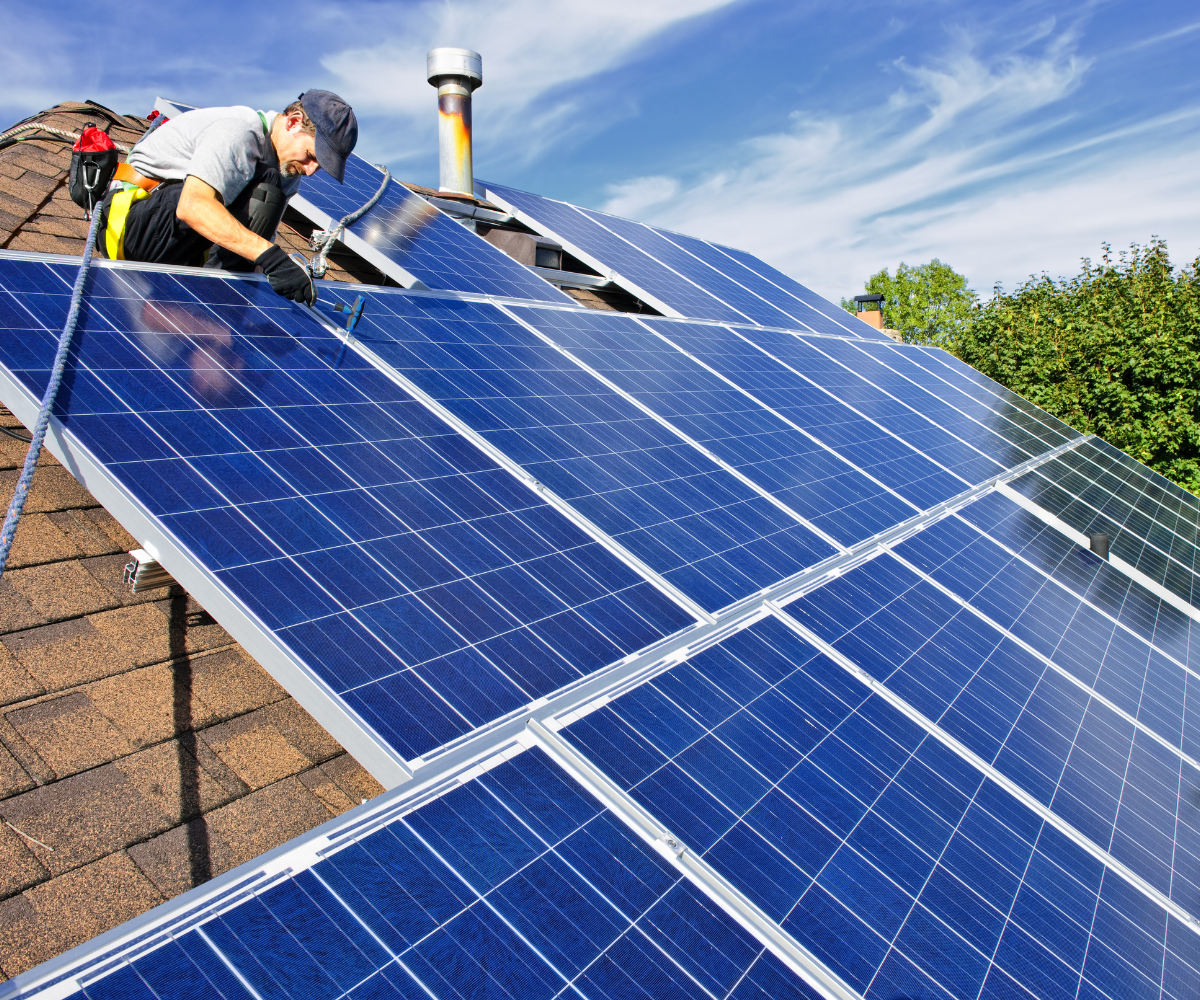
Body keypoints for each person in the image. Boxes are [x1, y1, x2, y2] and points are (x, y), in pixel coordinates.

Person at [99, 91, 358, 305]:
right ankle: (212, 304)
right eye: (311, 156)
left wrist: (272, 305)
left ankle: (218, 308)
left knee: (270, 190)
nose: (311, 170)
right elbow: (193, 205)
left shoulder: (286, 173)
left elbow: (258, 249)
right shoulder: (240, 131)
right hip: (130, 228)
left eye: (319, 166)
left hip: (177, 244)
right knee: (265, 186)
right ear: (292, 122)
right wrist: (273, 259)